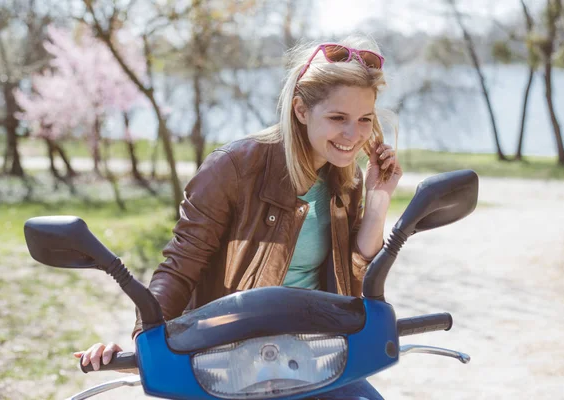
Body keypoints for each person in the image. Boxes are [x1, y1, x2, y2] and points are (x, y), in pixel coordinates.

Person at [75, 34, 403, 398]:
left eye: (364, 119)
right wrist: (142, 341)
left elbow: (355, 274)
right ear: (300, 110)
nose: (353, 135)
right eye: (338, 117)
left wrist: (378, 199)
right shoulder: (233, 168)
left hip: (314, 350)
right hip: (231, 354)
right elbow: (181, 266)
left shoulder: (347, 178)